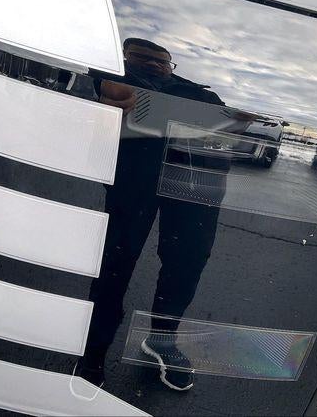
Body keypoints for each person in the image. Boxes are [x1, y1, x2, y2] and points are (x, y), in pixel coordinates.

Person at [80, 38, 229, 391]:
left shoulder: (194, 90)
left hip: (192, 181)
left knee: (188, 261)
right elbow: (77, 89)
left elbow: (225, 117)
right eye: (143, 58)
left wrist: (233, 118)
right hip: (131, 177)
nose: (155, 66)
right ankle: (92, 352)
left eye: (163, 62)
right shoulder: (108, 76)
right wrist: (98, 96)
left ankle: (162, 340)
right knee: (114, 262)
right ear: (124, 57)